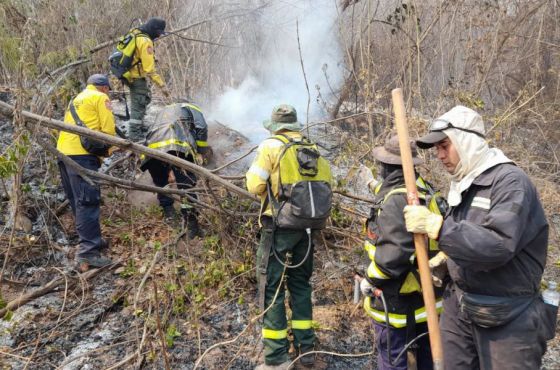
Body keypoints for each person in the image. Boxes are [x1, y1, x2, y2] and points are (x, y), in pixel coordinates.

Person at [403, 105, 550, 369]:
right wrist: (449, 259)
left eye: (445, 146)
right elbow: (472, 231)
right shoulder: (464, 183)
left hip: (509, 316)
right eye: (436, 149)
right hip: (461, 308)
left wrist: (439, 229)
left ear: (466, 141)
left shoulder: (510, 183)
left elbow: (498, 244)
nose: (439, 155)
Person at [247, 105, 331, 370]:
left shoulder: (271, 146)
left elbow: (254, 185)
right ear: (295, 125)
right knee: (301, 286)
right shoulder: (312, 149)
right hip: (307, 229)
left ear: (274, 126)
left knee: (271, 288)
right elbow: (329, 185)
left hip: (279, 229)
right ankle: (306, 352)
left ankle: (276, 358)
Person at [360, 134, 446, 370]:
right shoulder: (424, 189)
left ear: (388, 165)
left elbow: (393, 257)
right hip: (426, 300)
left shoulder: (397, 200)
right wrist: (370, 184)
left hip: (397, 300)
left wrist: (370, 279)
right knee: (428, 358)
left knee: (393, 359)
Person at [56, 74, 116, 270]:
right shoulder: (100, 98)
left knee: (77, 201)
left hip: (63, 154)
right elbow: (107, 131)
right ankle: (88, 252)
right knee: (88, 202)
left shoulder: (76, 99)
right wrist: (113, 150)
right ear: (105, 88)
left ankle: (91, 241)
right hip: (82, 156)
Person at [140, 102, 209, 239]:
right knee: (186, 187)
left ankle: (170, 216)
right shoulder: (192, 107)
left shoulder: (162, 111)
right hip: (178, 147)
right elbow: (201, 127)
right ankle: (191, 227)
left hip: (151, 150)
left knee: (161, 183)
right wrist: (200, 151)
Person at [122, 17, 169, 142]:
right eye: (158, 33)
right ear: (154, 30)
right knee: (139, 103)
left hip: (129, 75)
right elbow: (149, 70)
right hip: (136, 77)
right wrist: (162, 85)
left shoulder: (136, 33)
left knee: (144, 99)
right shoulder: (145, 41)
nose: (158, 36)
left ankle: (138, 128)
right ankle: (134, 136)